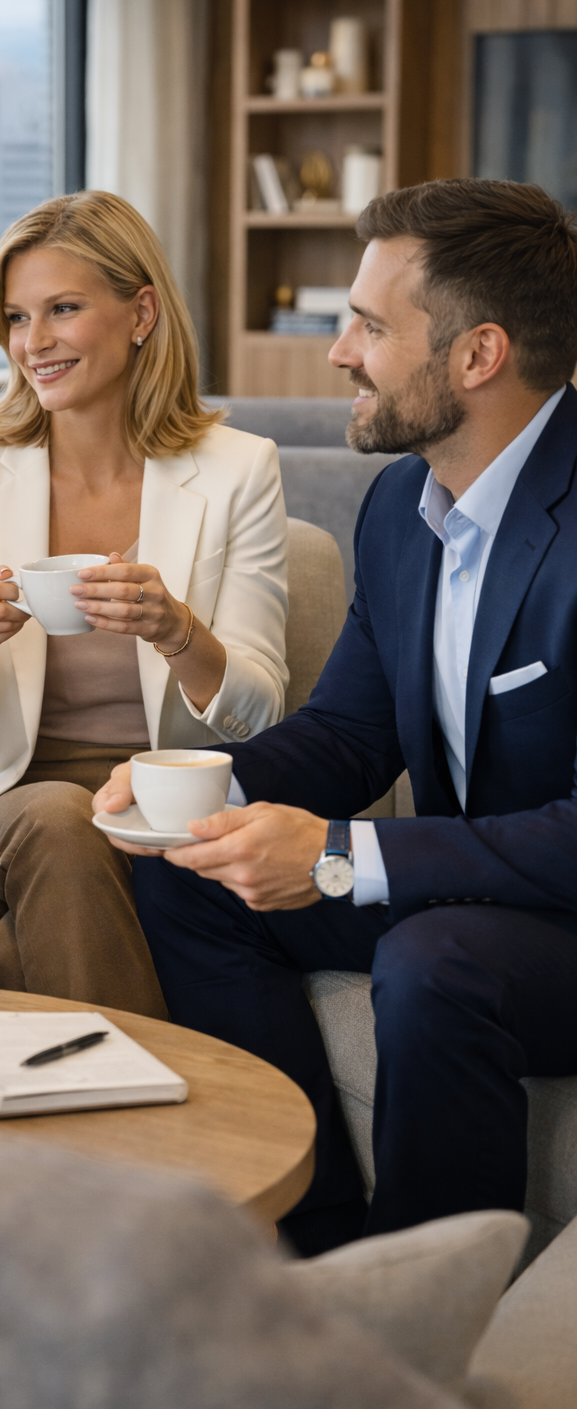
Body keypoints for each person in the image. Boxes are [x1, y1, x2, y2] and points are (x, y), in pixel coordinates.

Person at [94, 178, 577, 1254]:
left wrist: (346, 857)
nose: (337, 354)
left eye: (367, 325)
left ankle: (418, 1313)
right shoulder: (401, 512)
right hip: (480, 883)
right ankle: (307, 1247)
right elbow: (351, 734)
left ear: (477, 355)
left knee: (435, 961)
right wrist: (198, 789)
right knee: (183, 876)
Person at [0, 190, 288, 1015]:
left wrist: (177, 631)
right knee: (61, 821)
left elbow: (261, 713)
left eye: (63, 309)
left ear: (141, 311)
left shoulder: (238, 470)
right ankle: (145, 1127)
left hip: (161, 805)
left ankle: (65, 1094)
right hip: (2, 806)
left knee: (44, 914)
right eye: (15, 318)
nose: (32, 343)